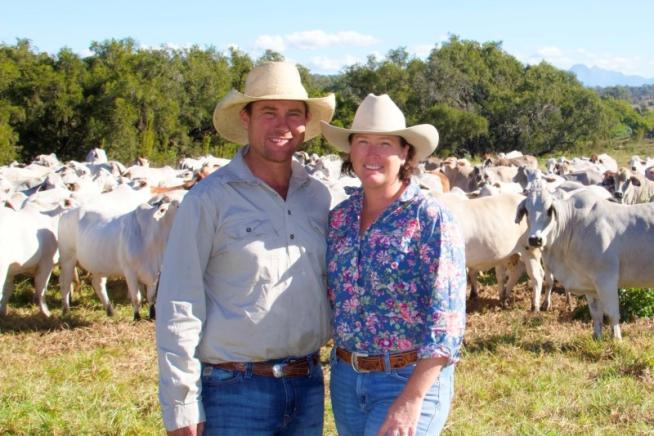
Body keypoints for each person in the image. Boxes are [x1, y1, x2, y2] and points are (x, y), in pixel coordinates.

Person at [155, 61, 336, 435]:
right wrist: (181, 405)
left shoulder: (317, 197)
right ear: (246, 118)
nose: (282, 125)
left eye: (293, 114)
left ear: (305, 123)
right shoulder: (209, 199)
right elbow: (178, 301)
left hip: (306, 385)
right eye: (269, 112)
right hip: (234, 389)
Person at [321, 94, 467, 435]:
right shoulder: (339, 218)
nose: (372, 155)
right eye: (362, 142)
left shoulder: (429, 218)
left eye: (385, 143)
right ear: (350, 151)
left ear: (405, 153)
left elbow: (447, 321)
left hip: (406, 377)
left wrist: (412, 398)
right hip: (345, 378)